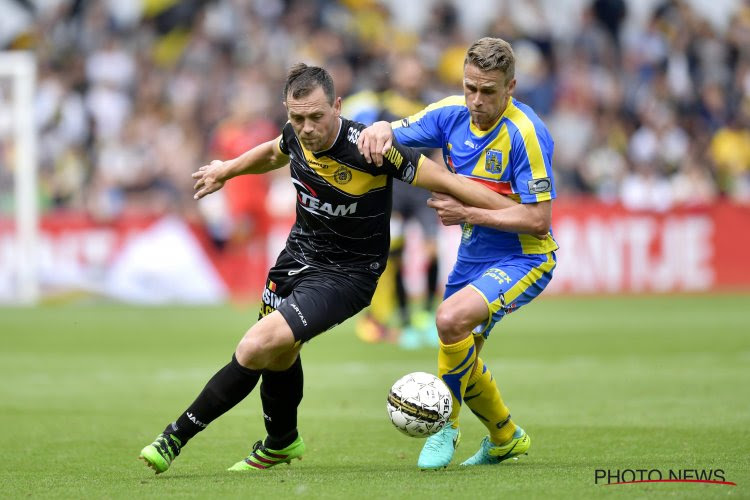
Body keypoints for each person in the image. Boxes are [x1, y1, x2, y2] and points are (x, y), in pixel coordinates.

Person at [138, 62, 522, 474]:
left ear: (337, 106)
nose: (306, 128)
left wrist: (515, 211)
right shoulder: (296, 134)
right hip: (295, 260)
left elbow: (448, 181)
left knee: (255, 345)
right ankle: (282, 442)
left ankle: (173, 437)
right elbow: (273, 151)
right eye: (297, 118)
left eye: (316, 117)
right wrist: (225, 170)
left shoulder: (370, 147)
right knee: (280, 355)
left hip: (349, 274)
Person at [358, 37, 558, 469]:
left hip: (525, 256)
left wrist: (469, 211)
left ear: (511, 88)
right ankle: (505, 436)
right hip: (473, 255)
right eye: (470, 87)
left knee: (448, 320)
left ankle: (445, 427)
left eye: (488, 91)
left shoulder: (526, 133)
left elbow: (539, 220)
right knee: (461, 356)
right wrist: (378, 128)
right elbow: (396, 128)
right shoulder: (450, 113)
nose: (476, 100)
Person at [343, 55, 442, 348]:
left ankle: (426, 312)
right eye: (407, 72)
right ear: (397, 76)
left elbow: (439, 146)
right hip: (395, 188)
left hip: (424, 187)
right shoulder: (381, 105)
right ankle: (405, 318)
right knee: (395, 254)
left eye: (416, 72)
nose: (412, 78)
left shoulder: (431, 106)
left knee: (432, 250)